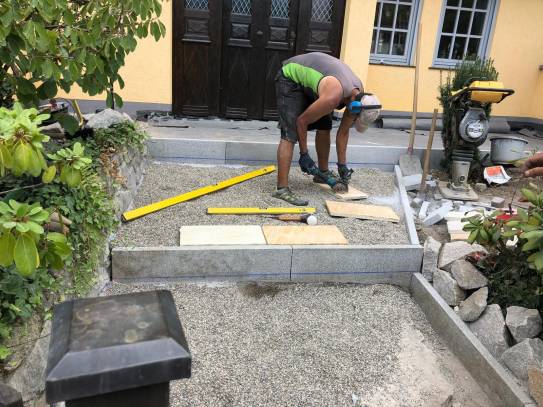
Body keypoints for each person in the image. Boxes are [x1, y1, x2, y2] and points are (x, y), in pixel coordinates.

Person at [272, 52, 381, 206]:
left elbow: (343, 132)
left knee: (324, 126)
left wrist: (342, 166)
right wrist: (304, 154)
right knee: (290, 134)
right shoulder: (332, 97)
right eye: (355, 117)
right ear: (355, 107)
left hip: (319, 83)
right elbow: (302, 121)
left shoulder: (359, 97)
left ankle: (322, 173)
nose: (353, 118)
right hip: (290, 77)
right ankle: (281, 189)